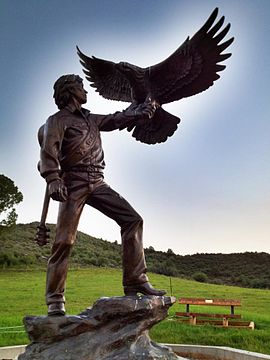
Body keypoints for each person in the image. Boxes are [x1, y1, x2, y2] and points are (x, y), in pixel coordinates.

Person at [38, 74, 166, 316]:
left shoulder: (90, 119)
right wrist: (53, 179)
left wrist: (139, 113)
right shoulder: (57, 121)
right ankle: (55, 299)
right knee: (64, 241)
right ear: (70, 91)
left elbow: (116, 119)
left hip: (97, 182)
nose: (85, 91)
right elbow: (49, 150)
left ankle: (135, 280)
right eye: (81, 87)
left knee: (132, 219)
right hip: (72, 183)